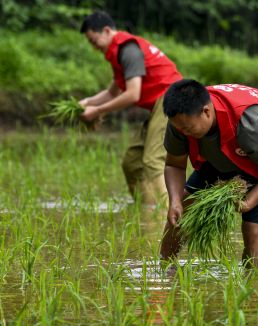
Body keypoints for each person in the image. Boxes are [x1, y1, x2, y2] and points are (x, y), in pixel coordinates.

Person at [159, 80, 258, 268]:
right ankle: (163, 272)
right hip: (227, 147)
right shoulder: (180, 122)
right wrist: (174, 201)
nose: (183, 132)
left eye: (188, 128)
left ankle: (255, 290)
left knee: (254, 228)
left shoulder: (250, 126)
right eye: (180, 128)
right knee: (182, 209)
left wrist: (248, 203)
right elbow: (174, 165)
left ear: (206, 112)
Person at [78, 11, 182, 205]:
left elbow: (132, 94)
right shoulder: (118, 53)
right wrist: (86, 103)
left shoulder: (128, 50)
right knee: (132, 163)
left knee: (153, 162)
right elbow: (111, 93)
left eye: (94, 41)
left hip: (171, 99)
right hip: (159, 105)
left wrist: (98, 111)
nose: (94, 47)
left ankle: (168, 215)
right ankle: (146, 211)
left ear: (107, 31)